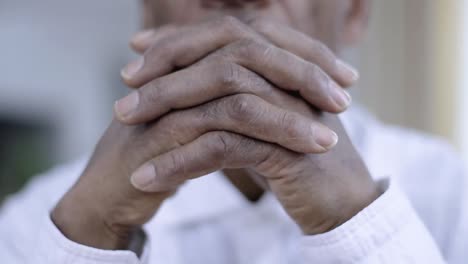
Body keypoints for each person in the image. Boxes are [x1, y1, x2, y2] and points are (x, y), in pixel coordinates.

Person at [0, 0, 467, 263]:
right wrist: (87, 237)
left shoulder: (453, 196)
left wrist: (360, 224)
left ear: (355, 14)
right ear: (146, 10)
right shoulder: (42, 219)